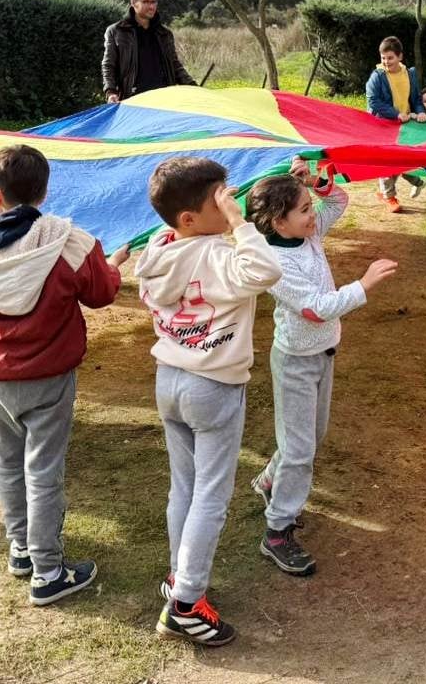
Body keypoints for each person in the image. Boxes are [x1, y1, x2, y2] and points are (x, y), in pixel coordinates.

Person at [0, 144, 129, 606]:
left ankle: (20, 549)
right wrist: (112, 266)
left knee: (9, 462)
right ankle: (49, 571)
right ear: (45, 189)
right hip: (50, 374)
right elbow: (101, 293)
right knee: (43, 469)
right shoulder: (68, 241)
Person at [137, 156, 283, 647]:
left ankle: (182, 577)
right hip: (212, 387)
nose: (231, 204)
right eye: (220, 199)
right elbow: (265, 268)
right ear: (189, 219)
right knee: (211, 496)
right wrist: (239, 223)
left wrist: (228, 212)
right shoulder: (220, 257)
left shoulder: (158, 249)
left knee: (184, 487)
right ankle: (185, 604)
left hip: (170, 380)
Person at [246, 159, 398, 576]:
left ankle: (268, 481)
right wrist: (363, 284)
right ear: (280, 223)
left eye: (311, 207)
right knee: (300, 449)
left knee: (309, 437)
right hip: (296, 360)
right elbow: (316, 309)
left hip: (324, 353)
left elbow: (340, 199)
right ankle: (276, 531)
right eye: (305, 209)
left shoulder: (308, 235)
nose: (315, 214)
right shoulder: (276, 263)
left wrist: (312, 181)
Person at [363, 36, 426, 213]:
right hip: (382, 124)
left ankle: (413, 182)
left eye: (390, 58)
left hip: (404, 124)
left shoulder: (410, 73)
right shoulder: (377, 76)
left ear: (400, 57)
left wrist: (421, 110)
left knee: (401, 159)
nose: (386, 62)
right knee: (384, 161)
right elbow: (373, 101)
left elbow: (415, 98)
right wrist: (396, 114)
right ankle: (390, 196)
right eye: (383, 58)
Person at [102, 0, 196, 103]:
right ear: (133, 2)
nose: (151, 6)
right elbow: (108, 66)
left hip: (166, 99)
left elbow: (175, 65)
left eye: (153, 2)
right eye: (146, 2)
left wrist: (193, 87)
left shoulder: (164, 33)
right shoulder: (116, 31)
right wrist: (110, 92)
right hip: (133, 100)